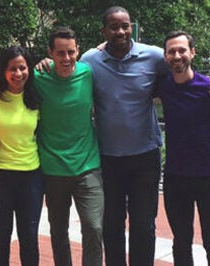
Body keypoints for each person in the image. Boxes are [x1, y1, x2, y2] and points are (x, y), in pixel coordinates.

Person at [37, 6, 169, 266]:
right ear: (103, 31)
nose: (120, 31)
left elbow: (178, 74)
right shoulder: (90, 61)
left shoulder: (154, 56)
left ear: (131, 26)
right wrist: (46, 63)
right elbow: (64, 67)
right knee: (110, 225)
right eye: (113, 27)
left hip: (145, 155)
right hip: (108, 158)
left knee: (144, 224)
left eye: (125, 26)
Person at [34, 26, 103, 266]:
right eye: (60, 53)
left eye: (71, 52)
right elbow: (5, 84)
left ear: (78, 51)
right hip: (53, 168)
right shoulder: (38, 77)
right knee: (58, 232)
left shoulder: (88, 73)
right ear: (50, 53)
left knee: (94, 227)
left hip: (88, 165)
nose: (66, 58)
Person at [156, 30, 210, 266]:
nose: (177, 55)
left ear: (192, 53)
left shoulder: (207, 87)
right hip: (176, 176)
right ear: (166, 56)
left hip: (207, 176)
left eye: (182, 50)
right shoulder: (163, 88)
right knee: (181, 241)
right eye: (171, 51)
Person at [0, 46, 43, 266]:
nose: (18, 74)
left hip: (32, 176)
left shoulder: (36, 97)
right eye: (12, 69)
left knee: (29, 236)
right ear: (3, 71)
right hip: (1, 175)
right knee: (1, 235)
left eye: (22, 68)